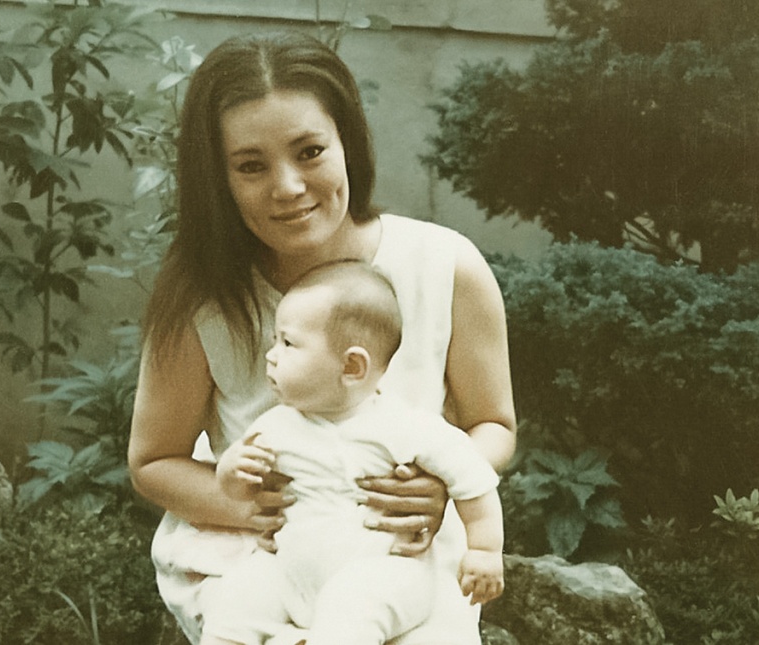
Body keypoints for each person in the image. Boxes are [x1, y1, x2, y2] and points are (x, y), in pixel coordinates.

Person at [128, 29, 516, 645]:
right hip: (260, 553)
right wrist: (250, 506)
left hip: (398, 552)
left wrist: (442, 483)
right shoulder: (205, 294)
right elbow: (153, 460)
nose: (286, 186)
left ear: (348, 145)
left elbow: (494, 423)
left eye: (309, 151)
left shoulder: (445, 265)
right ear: (217, 177)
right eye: (251, 166)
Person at [199, 260, 505, 644]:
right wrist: (232, 471)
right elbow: (240, 493)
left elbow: (472, 478)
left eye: (288, 343)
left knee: (351, 608)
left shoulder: (406, 428)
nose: (271, 355)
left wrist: (484, 549)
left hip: (386, 571)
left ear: (352, 366)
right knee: (234, 602)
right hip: (288, 570)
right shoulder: (275, 426)